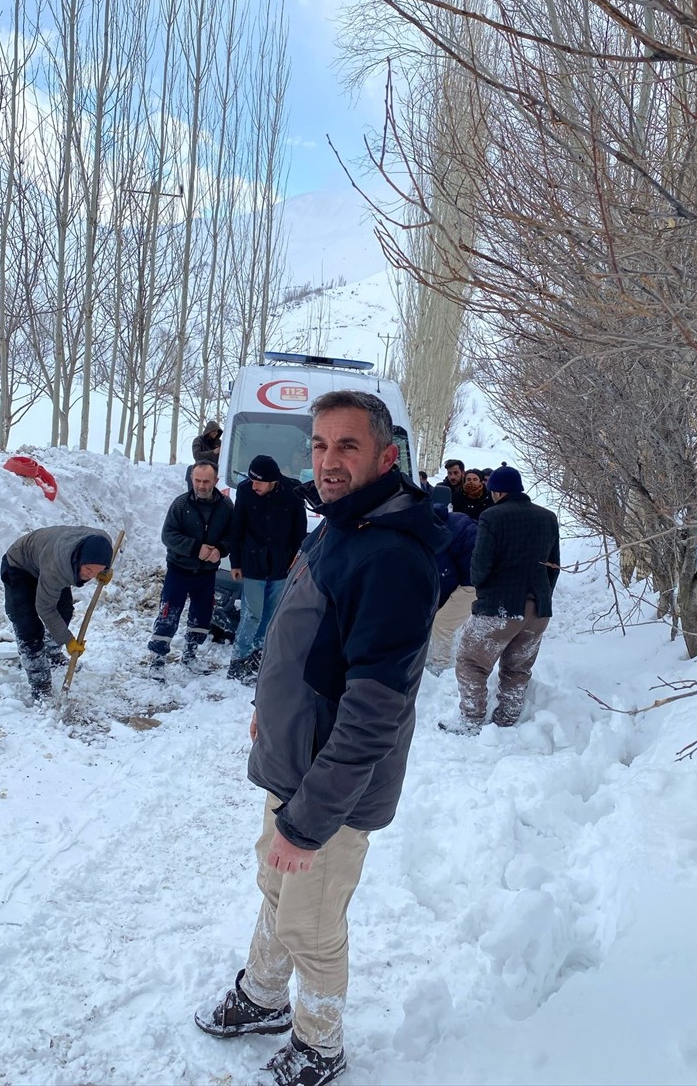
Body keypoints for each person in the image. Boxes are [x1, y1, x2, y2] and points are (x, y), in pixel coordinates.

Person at [195, 390, 443, 1086]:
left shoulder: (391, 557)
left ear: (387, 457)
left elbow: (373, 715)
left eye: (348, 446)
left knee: (311, 921)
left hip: (330, 792)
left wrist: (307, 826)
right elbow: (300, 637)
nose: (329, 461)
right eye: (320, 444)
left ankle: (319, 1045)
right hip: (294, 764)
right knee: (275, 889)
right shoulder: (338, 525)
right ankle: (263, 996)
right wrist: (267, 709)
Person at [448, 466, 560, 735]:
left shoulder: (492, 516)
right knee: (518, 669)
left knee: (471, 662)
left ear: (497, 492)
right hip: (538, 610)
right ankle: (507, 721)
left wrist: (483, 592)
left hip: (499, 606)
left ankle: (471, 721)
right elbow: (553, 566)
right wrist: (541, 597)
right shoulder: (548, 518)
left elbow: (480, 566)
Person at [0, 526, 113, 701]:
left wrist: (104, 572)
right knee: (28, 625)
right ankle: (40, 684)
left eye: (96, 571)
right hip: (20, 565)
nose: (91, 576)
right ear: (79, 559)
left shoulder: (102, 541)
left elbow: (100, 559)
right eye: (88, 569)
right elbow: (45, 608)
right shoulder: (58, 567)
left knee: (64, 611)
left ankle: (51, 652)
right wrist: (67, 640)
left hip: (46, 559)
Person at [227, 454, 307, 684]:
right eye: (252, 480)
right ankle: (238, 659)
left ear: (273, 480)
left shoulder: (292, 492)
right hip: (253, 563)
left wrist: (296, 559)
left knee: (271, 615)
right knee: (252, 614)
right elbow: (237, 527)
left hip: (281, 565)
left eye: (259, 482)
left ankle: (258, 655)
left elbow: (299, 530)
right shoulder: (245, 491)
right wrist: (235, 562)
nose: (254, 486)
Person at [147, 461, 233, 671]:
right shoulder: (180, 504)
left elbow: (233, 535)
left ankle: (190, 654)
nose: (201, 486)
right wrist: (195, 548)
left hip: (207, 573)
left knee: (202, 614)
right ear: (191, 480)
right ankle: (157, 659)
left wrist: (221, 549)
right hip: (179, 570)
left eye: (206, 481)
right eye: (197, 481)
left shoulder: (226, 506)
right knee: (169, 613)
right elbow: (168, 536)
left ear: (215, 480)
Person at [428, 485, 478, 671]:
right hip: (473, 574)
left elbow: (447, 573)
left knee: (442, 623)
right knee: (441, 617)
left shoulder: (437, 533)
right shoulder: (439, 521)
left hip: (476, 581)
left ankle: (441, 667)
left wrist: (441, 602)